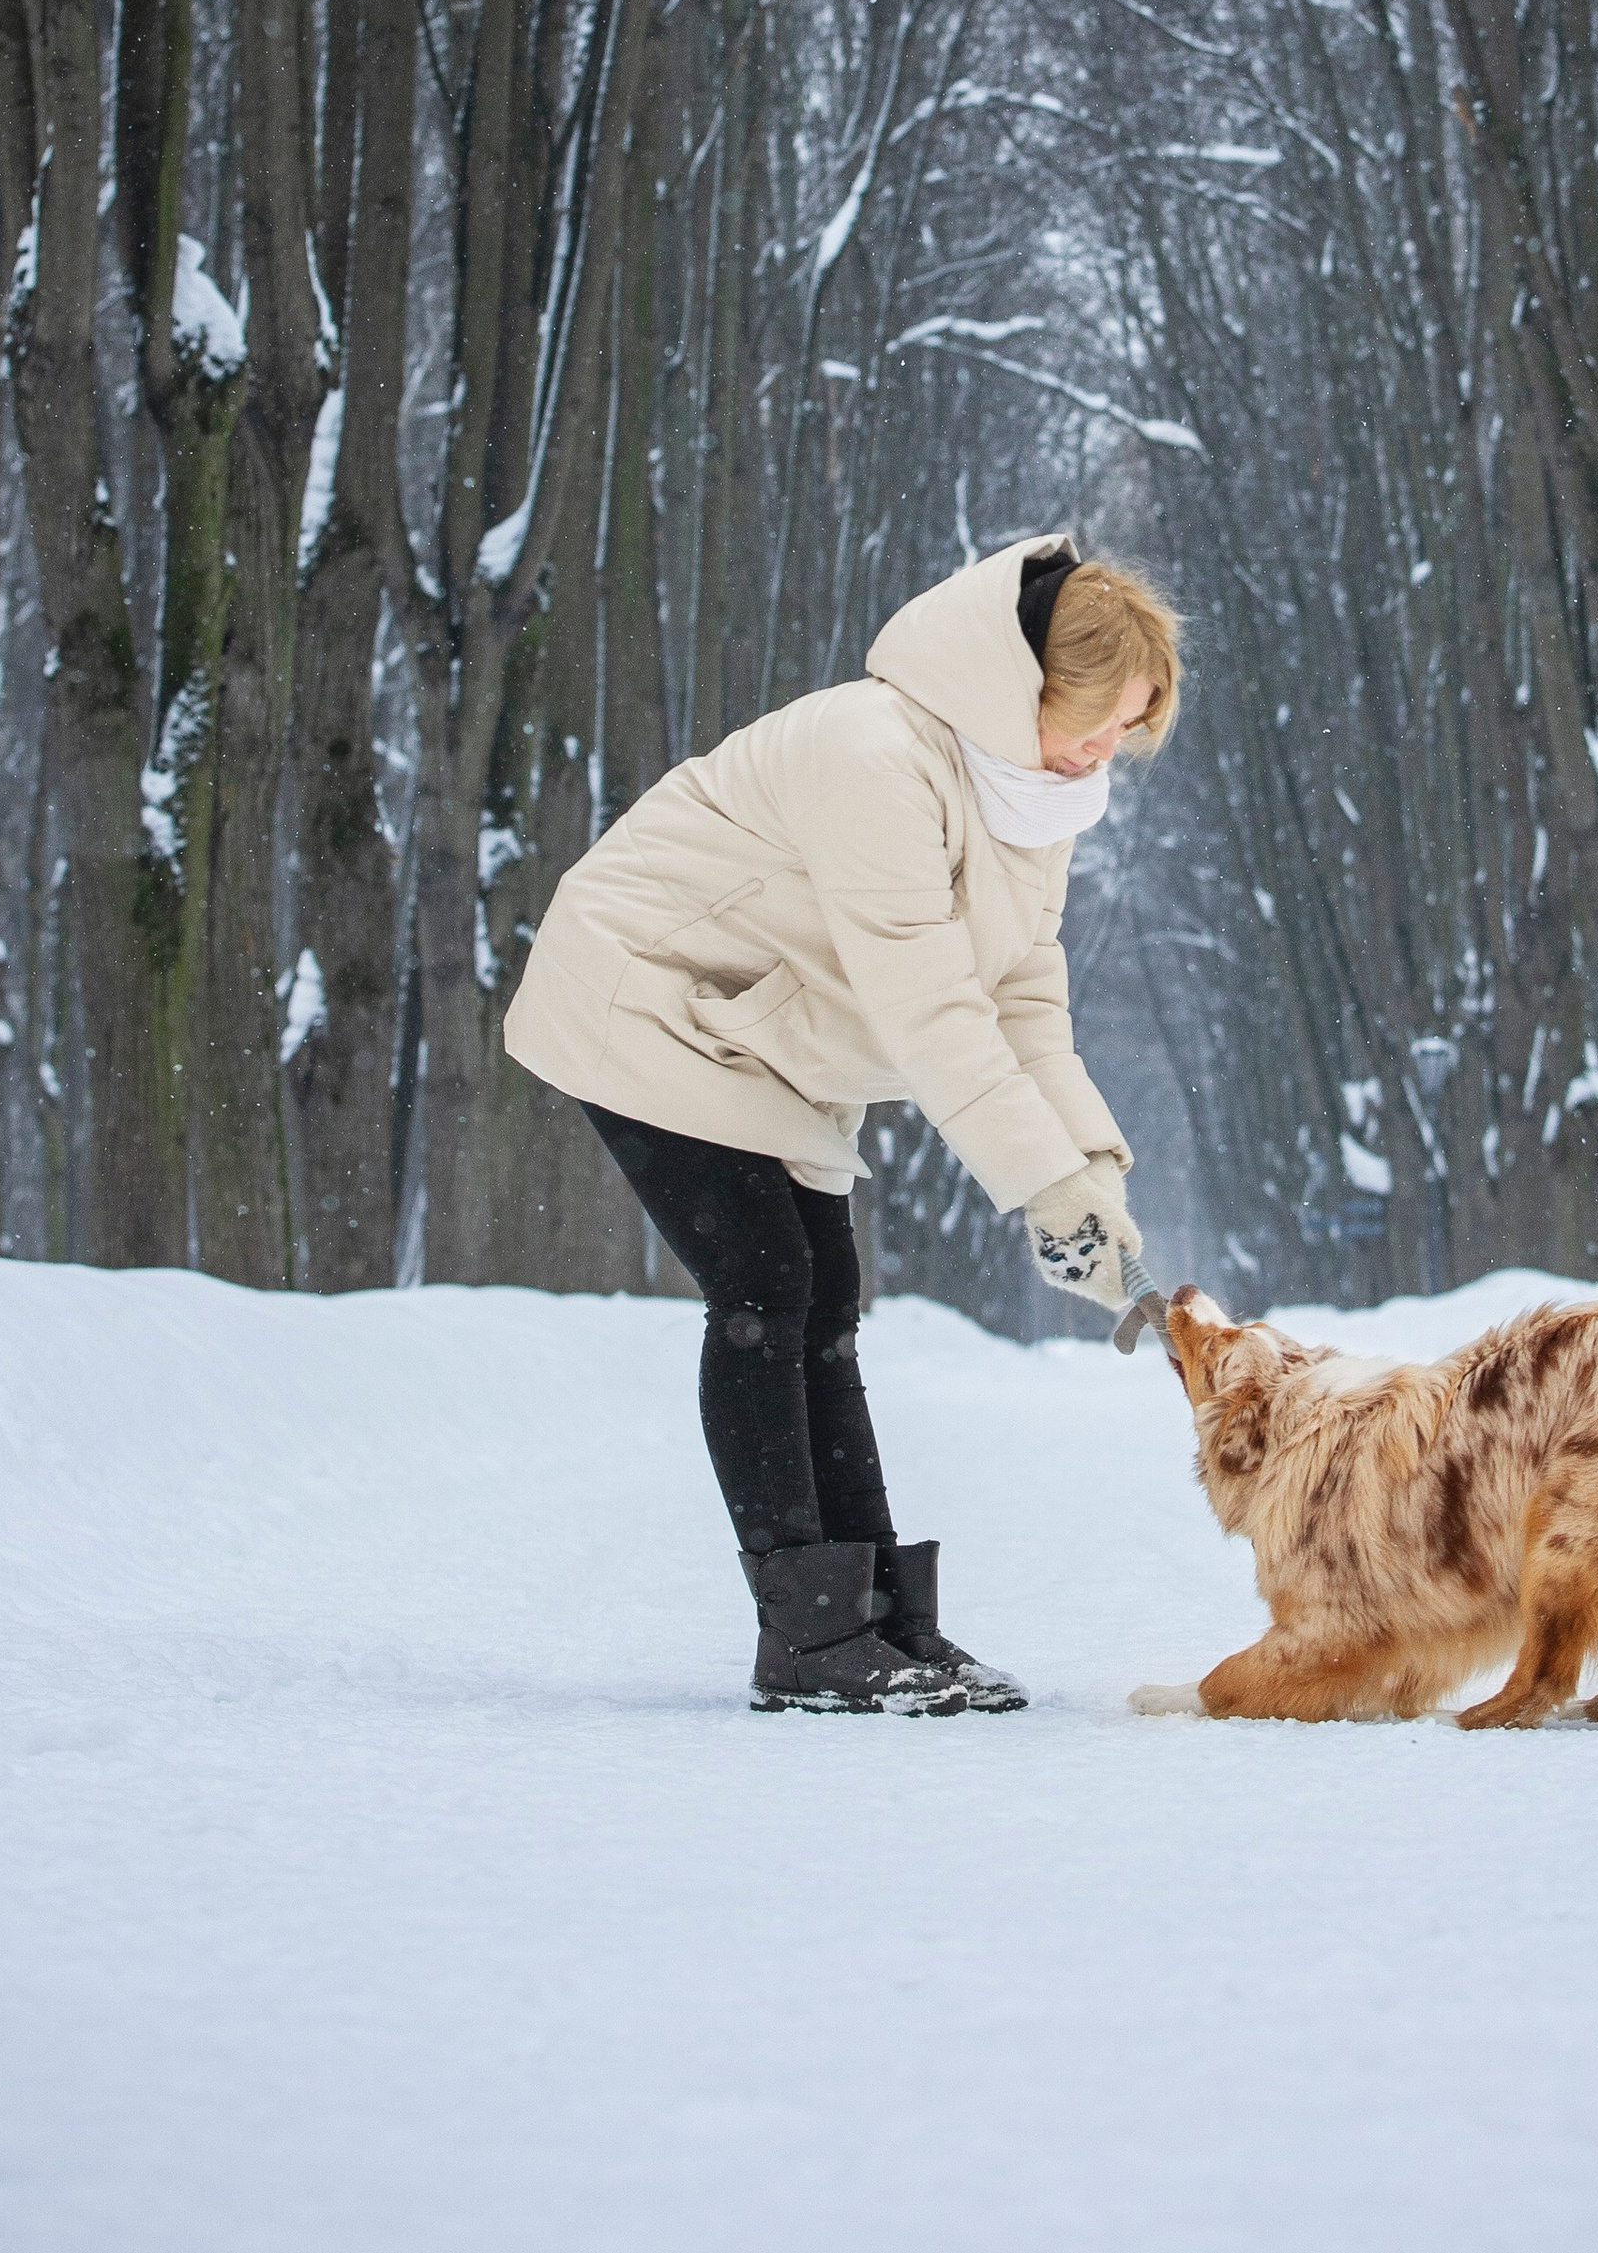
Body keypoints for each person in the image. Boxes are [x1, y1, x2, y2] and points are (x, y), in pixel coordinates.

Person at [502, 531, 1179, 1716]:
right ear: (1028, 687)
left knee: (826, 1296)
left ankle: (877, 1619)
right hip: (653, 996)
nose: (1105, 751)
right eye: (1098, 719)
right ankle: (807, 1641)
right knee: (765, 1286)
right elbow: (927, 1002)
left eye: (1127, 727)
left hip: (771, 1038)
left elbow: (1022, 995)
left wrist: (1089, 1175)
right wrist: (1035, 1183)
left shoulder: (1038, 792)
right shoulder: (874, 752)